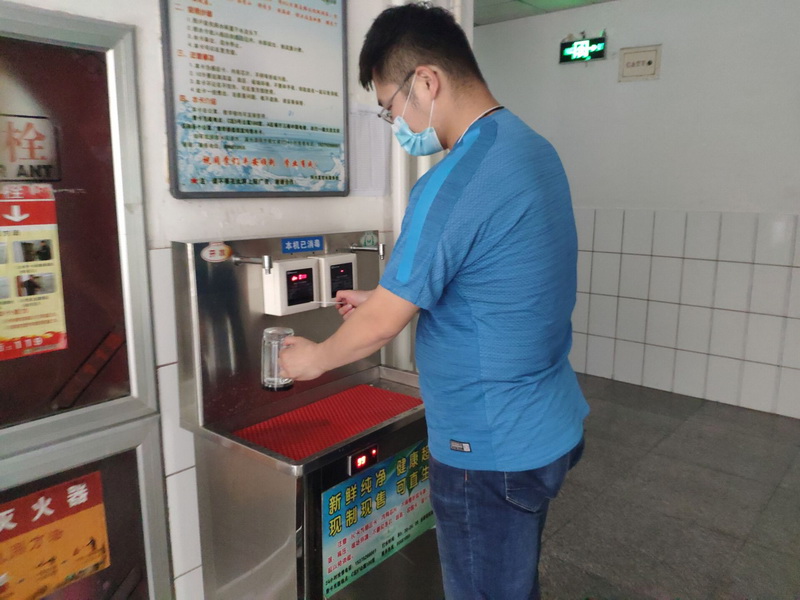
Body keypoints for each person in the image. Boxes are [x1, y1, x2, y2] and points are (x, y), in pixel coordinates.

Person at [279, 4, 589, 598]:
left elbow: (381, 325)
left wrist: (312, 359)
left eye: (389, 107)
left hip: (488, 445)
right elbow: (502, 274)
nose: (395, 123)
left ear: (426, 82)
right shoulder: (532, 149)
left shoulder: (455, 180)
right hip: (546, 421)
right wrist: (387, 295)